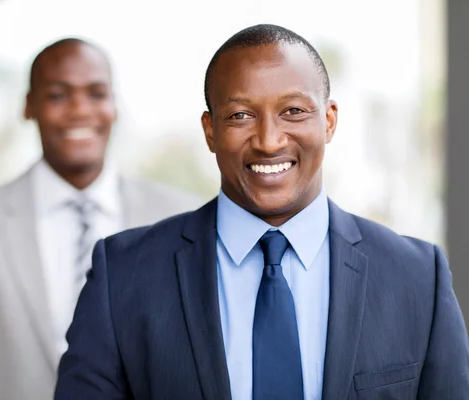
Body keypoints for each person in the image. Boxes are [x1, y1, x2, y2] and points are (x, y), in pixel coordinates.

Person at [54, 25, 469, 400]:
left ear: (328, 121)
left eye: (293, 111)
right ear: (210, 131)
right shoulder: (123, 274)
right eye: (240, 115)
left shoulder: (417, 277)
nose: (269, 141)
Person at [0, 38, 202, 400]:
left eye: (96, 93)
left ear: (115, 106)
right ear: (29, 106)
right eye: (59, 95)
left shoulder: (180, 218)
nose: (80, 110)